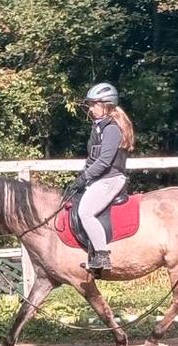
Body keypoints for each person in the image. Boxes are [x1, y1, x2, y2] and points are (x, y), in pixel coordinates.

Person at [66, 82, 135, 271]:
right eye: (90, 104)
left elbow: (104, 162)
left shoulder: (111, 129)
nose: (91, 108)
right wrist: (81, 178)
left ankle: (103, 257)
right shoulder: (99, 127)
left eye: (94, 104)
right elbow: (92, 158)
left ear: (106, 105)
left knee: (85, 212)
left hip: (111, 178)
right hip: (101, 178)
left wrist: (84, 178)